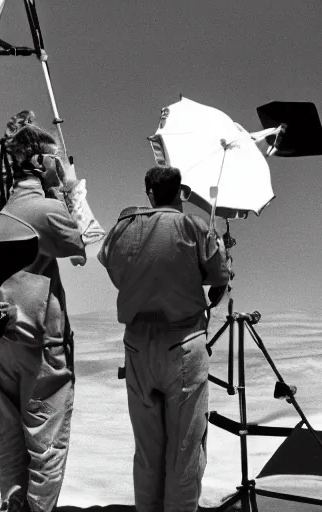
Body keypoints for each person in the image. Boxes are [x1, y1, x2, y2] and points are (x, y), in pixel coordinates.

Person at [0, 110, 104, 512]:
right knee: (46, 444)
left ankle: (11, 504)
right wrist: (72, 193)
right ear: (39, 162)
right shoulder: (45, 210)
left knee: (11, 439)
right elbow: (84, 248)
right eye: (53, 158)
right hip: (39, 344)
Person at [98, 165, 230, 512]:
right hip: (183, 342)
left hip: (137, 345)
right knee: (185, 447)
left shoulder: (122, 228)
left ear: (149, 193)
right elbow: (218, 277)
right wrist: (220, 249)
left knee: (147, 448)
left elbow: (112, 267)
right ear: (181, 192)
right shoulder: (194, 226)